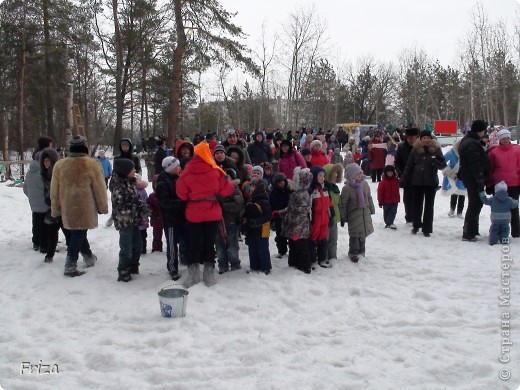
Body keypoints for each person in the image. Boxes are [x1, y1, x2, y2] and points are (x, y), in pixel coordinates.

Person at [176, 142, 235, 288]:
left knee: (194, 243)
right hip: (212, 211)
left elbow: (181, 194)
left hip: (194, 212)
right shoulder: (215, 170)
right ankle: (209, 275)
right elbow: (228, 188)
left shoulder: (187, 171)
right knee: (210, 243)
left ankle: (193, 275)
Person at [50, 135, 109, 277]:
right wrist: (102, 206)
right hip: (85, 206)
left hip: (67, 206)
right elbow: (99, 188)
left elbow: (54, 190)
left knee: (78, 231)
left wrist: (56, 208)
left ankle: (88, 256)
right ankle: (70, 264)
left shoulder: (60, 164)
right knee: (79, 232)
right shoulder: (92, 164)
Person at [400, 131, 446, 237]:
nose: (426, 140)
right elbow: (409, 165)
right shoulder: (415, 149)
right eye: (424, 138)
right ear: (420, 139)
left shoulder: (436, 149)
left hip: (431, 182)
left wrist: (435, 162)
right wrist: (403, 178)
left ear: (431, 139)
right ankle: (416, 225)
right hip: (417, 181)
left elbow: (443, 165)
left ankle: (427, 228)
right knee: (417, 205)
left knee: (429, 206)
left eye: (427, 138)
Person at [110, 159, 148, 281]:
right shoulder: (118, 186)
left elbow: (135, 199)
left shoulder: (130, 182)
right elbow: (120, 206)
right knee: (126, 249)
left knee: (138, 246)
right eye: (132, 169)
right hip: (125, 221)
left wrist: (144, 208)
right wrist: (136, 208)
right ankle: (123, 269)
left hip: (134, 220)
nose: (135, 171)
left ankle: (133, 265)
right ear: (125, 171)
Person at [277, 167, 313, 273]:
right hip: (293, 224)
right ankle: (293, 264)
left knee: (301, 247)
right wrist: (280, 212)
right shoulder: (296, 193)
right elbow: (291, 208)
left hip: (299, 227)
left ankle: (305, 267)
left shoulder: (303, 194)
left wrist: (297, 230)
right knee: (293, 246)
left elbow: (302, 212)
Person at [458, 120, 489, 242]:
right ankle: (468, 233)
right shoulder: (472, 144)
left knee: (475, 203)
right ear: (480, 131)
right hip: (473, 178)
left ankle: (473, 229)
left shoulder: (470, 141)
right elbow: (475, 164)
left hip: (470, 177)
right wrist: (480, 178)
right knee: (475, 204)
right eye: (484, 130)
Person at [155, 156, 185, 280]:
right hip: (170, 219)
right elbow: (165, 202)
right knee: (172, 245)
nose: (179, 168)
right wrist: (182, 203)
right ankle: (173, 268)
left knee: (184, 241)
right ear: (170, 168)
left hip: (181, 217)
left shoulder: (178, 179)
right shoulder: (162, 183)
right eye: (177, 166)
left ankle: (186, 260)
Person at [486, 129, 520, 238]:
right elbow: (490, 169)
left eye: (507, 138)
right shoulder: (494, 152)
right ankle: (498, 231)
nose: (505, 140)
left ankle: (516, 232)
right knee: (498, 209)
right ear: (499, 139)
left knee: (514, 208)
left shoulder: (517, 150)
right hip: (499, 184)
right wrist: (489, 184)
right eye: (503, 138)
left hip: (514, 183)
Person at [340, 163, 375, 263]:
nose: (359, 176)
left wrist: (371, 208)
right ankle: (354, 253)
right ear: (351, 175)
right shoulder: (347, 188)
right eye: (357, 174)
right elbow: (343, 204)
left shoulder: (364, 184)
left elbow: (369, 197)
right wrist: (343, 217)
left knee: (363, 235)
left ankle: (362, 252)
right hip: (354, 216)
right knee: (355, 236)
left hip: (364, 214)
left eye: (360, 173)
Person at [24, 136, 53, 252]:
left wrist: (31, 195)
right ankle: (44, 243)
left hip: (34, 199)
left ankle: (36, 241)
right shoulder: (46, 159)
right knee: (46, 223)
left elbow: (26, 187)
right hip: (43, 200)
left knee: (36, 221)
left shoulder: (32, 168)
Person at [216, 168, 243, 274]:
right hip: (218, 223)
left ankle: (235, 264)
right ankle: (222, 264)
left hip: (232, 222)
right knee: (219, 246)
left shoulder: (235, 190)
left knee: (232, 246)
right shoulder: (218, 191)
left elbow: (238, 205)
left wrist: (223, 206)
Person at [242, 180, 272, 274]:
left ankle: (265, 267)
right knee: (252, 249)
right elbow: (247, 215)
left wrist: (256, 222)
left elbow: (267, 216)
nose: (251, 188)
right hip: (251, 230)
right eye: (250, 186)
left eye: (254, 186)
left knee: (262, 249)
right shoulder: (250, 201)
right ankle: (254, 266)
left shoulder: (264, 201)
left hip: (262, 230)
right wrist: (243, 223)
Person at [39, 147, 62, 263]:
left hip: (61, 207)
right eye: (44, 161)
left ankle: (81, 254)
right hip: (52, 207)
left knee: (68, 233)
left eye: (48, 161)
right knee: (52, 231)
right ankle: (49, 255)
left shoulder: (58, 173)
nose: (46, 163)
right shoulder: (45, 175)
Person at [308, 166, 334, 268]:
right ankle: (312, 260)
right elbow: (308, 206)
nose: (322, 178)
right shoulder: (311, 190)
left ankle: (322, 259)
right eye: (320, 175)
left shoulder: (325, 188)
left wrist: (331, 216)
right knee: (313, 239)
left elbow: (330, 204)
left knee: (323, 239)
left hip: (325, 218)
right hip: (315, 219)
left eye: (323, 176)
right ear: (314, 176)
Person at [394, 127, 420, 224]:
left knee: (418, 198)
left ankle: (417, 216)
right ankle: (409, 216)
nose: (410, 140)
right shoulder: (401, 147)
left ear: (417, 137)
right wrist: (400, 173)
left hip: (419, 176)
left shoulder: (420, 146)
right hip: (406, 176)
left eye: (412, 138)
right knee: (408, 198)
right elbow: (397, 162)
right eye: (408, 138)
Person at [269, 172, 292, 259]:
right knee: (280, 236)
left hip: (289, 217)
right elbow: (271, 206)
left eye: (282, 181)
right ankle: (281, 251)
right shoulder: (272, 194)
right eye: (279, 182)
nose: (281, 183)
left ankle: (292, 251)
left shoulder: (289, 191)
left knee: (291, 236)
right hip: (278, 217)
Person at [441, 141, 466, 218]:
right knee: (454, 191)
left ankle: (460, 212)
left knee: (462, 193)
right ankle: (452, 209)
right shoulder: (452, 152)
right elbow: (443, 160)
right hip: (453, 175)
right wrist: (447, 170)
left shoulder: (467, 152)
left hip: (463, 175)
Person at [324, 163, 343, 261]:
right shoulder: (324, 189)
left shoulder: (335, 188)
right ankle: (324, 257)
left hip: (334, 218)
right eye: (333, 174)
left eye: (337, 174)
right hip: (326, 219)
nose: (336, 176)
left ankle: (333, 256)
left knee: (333, 239)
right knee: (325, 239)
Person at [377, 165, 400, 229]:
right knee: (386, 212)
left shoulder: (396, 181)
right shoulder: (383, 182)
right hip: (386, 201)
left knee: (393, 212)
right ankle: (388, 222)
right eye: (388, 172)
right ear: (385, 173)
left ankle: (390, 223)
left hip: (395, 200)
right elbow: (380, 192)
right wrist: (380, 201)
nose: (390, 173)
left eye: (391, 172)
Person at [146, 175, 163, 252]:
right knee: (157, 235)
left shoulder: (167, 194)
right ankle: (157, 249)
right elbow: (148, 205)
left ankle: (171, 246)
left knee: (170, 235)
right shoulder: (152, 196)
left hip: (166, 218)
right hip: (156, 219)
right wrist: (150, 210)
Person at [135, 175, 149, 254]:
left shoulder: (134, 191)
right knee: (143, 234)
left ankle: (141, 249)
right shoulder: (143, 190)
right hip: (143, 216)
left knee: (138, 234)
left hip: (138, 216)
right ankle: (143, 248)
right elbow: (146, 201)